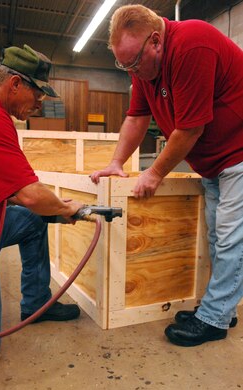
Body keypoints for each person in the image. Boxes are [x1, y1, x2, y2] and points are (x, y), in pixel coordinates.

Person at [90, 5, 243, 347]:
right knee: (218, 238)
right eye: (123, 64)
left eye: (132, 63)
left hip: (239, 154)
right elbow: (136, 117)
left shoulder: (193, 45)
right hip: (214, 162)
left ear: (156, 41)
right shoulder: (144, 66)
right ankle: (222, 307)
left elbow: (190, 128)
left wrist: (155, 172)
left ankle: (214, 319)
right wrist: (117, 162)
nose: (130, 71)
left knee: (232, 238)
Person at [0, 44, 84, 366]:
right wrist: (63, 207)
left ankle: (36, 303)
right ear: (15, 84)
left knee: (32, 222)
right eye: (38, 94)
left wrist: (51, 208)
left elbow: (13, 191)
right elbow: (29, 194)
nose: (40, 104)